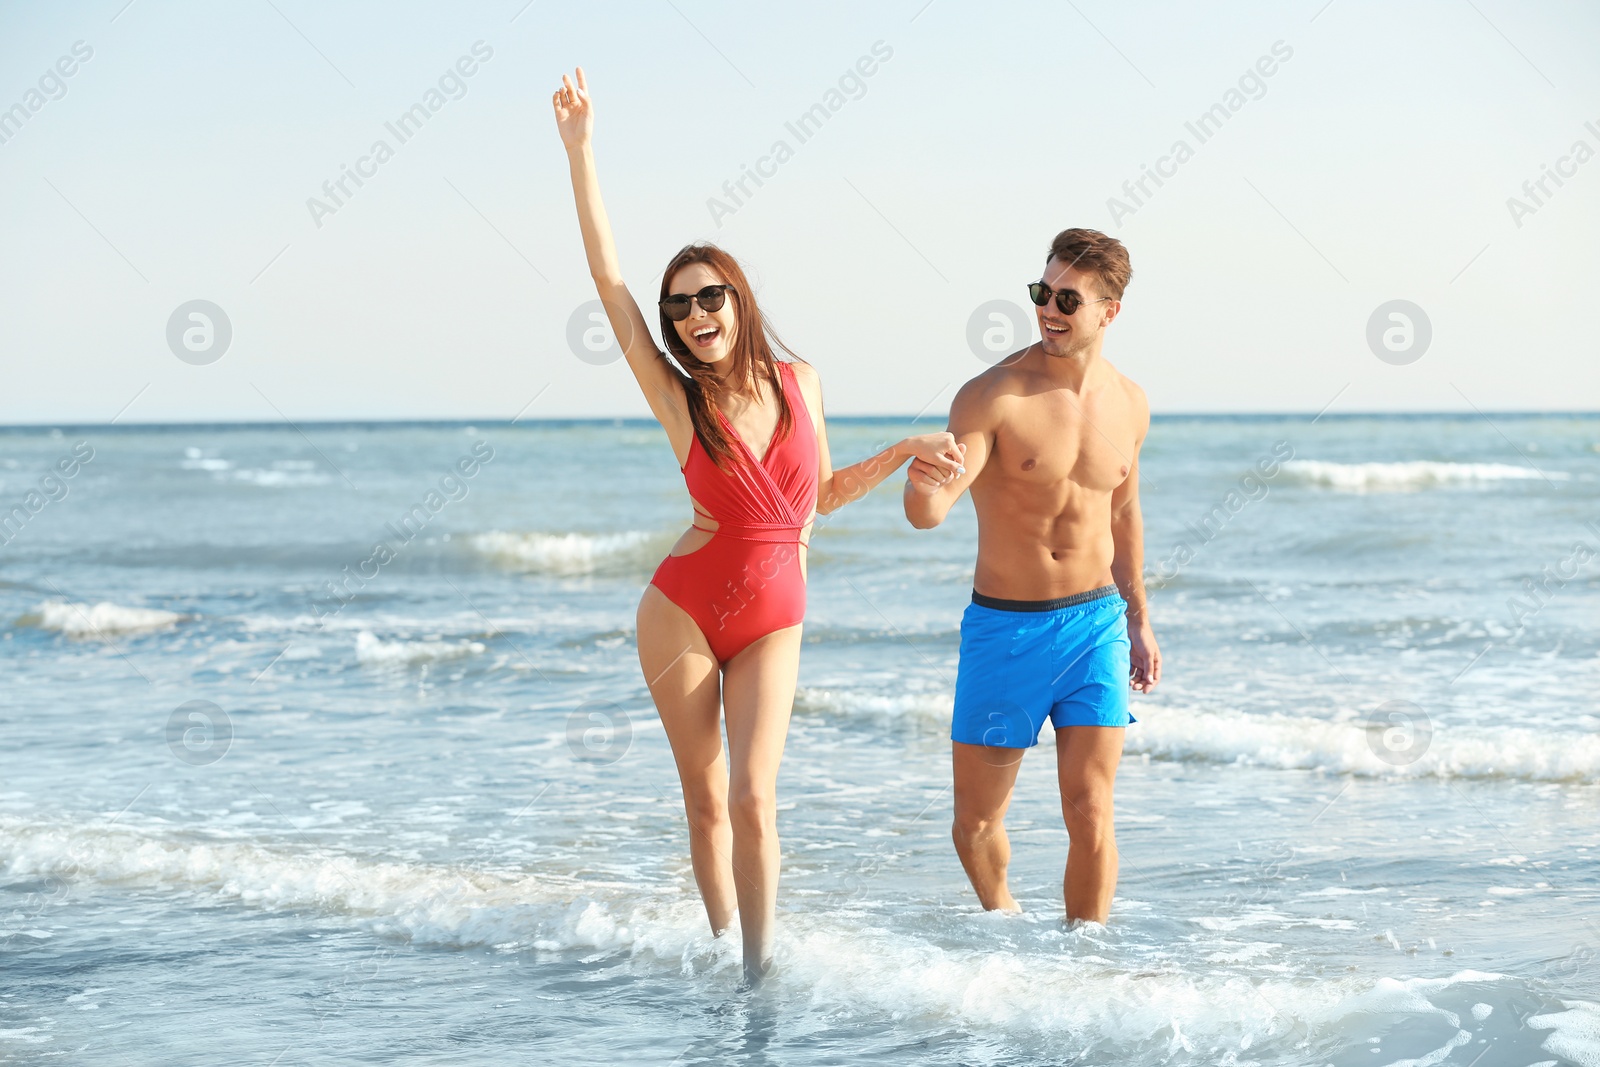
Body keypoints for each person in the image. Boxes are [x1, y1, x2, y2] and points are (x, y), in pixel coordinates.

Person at [552, 67, 963, 982]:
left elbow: (813, 499)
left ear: (738, 301)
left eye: (710, 297)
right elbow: (608, 280)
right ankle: (721, 960)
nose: (694, 315)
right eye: (680, 307)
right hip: (683, 611)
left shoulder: (801, 381)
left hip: (774, 614)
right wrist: (582, 154)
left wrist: (899, 451)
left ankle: (759, 972)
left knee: (754, 794)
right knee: (704, 798)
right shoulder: (676, 399)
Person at [903, 228, 1160, 925]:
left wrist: (1139, 616)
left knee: (1091, 805)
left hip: (1095, 622)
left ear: (1109, 310)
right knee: (976, 823)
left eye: (1065, 298)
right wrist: (925, 490)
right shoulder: (995, 395)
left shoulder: (1130, 403)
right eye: (1040, 292)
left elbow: (1126, 513)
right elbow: (934, 507)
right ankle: (1008, 931)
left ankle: (1086, 962)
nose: (1048, 308)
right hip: (1006, 628)